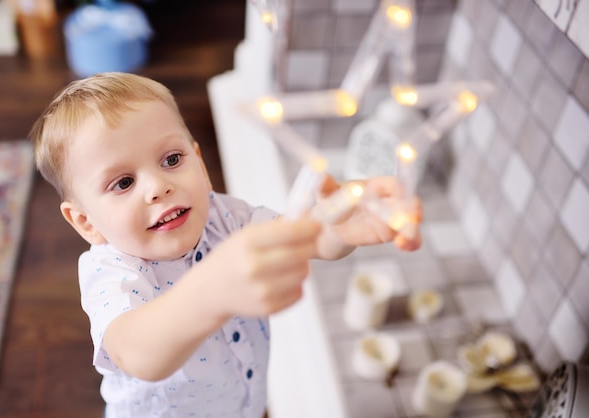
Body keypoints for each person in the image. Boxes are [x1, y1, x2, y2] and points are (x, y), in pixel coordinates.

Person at [30, 72, 421, 417]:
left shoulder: (225, 216)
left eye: (171, 159)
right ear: (85, 222)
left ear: (198, 160)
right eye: (123, 183)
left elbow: (300, 238)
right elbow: (135, 352)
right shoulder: (112, 274)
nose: (158, 186)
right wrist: (210, 292)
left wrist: (335, 228)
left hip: (243, 401)